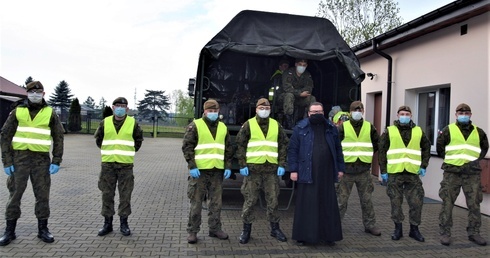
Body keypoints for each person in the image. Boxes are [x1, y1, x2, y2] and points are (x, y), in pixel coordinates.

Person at [0, 81, 64, 246]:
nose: (35, 94)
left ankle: (43, 230)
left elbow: (58, 137)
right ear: (27, 93)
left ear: (43, 94)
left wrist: (56, 160)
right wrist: (7, 161)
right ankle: (9, 231)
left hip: (41, 160)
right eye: (31, 92)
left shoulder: (50, 113)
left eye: (38, 92)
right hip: (19, 159)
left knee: (42, 196)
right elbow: (5, 136)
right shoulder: (17, 111)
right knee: (15, 195)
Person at [287, 102, 344, 245]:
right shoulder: (300, 128)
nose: (316, 114)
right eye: (313, 112)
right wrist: (293, 169)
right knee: (306, 205)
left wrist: (340, 168)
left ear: (323, 112)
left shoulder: (331, 128)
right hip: (307, 172)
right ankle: (304, 237)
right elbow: (292, 150)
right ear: (308, 113)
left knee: (327, 205)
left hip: (327, 173)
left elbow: (338, 150)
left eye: (319, 112)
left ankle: (329, 236)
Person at [235, 98, 289, 244]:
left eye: (267, 107)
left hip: (271, 171)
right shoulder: (248, 124)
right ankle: (246, 230)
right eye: (262, 107)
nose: (265, 109)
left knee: (273, 201)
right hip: (253, 171)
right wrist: (242, 164)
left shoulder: (276, 125)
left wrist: (282, 164)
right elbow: (240, 144)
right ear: (256, 109)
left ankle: (275, 229)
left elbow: (283, 144)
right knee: (250, 201)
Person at [182, 99, 233, 244]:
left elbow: (228, 149)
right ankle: (193, 231)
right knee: (196, 203)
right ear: (204, 111)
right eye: (210, 111)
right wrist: (192, 166)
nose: (213, 113)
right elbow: (187, 147)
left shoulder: (223, 127)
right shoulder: (195, 126)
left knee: (216, 203)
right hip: (200, 172)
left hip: (217, 171)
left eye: (215, 111)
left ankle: (215, 229)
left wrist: (228, 166)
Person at [436, 103, 488, 246]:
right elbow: (440, 147)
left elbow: (484, 148)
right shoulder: (448, 130)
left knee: (474, 204)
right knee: (447, 203)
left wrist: (473, 161)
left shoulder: (479, 132)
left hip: (472, 174)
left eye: (466, 113)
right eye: (461, 113)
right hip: (452, 173)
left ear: (470, 115)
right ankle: (445, 232)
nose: (463, 115)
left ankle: (474, 232)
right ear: (456, 115)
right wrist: (452, 161)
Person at [378, 105, 431, 242]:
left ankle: (414, 229)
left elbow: (426, 147)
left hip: (413, 173)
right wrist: (383, 170)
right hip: (395, 173)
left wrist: (424, 165)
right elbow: (382, 151)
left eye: (407, 114)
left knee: (416, 202)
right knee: (396, 202)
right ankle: (398, 229)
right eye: (402, 114)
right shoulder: (389, 131)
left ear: (411, 116)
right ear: (397, 115)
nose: (405, 116)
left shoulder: (418, 131)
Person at [94, 97, 143, 237]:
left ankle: (124, 223)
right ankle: (107, 224)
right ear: (113, 107)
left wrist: (128, 152)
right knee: (107, 194)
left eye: (123, 106)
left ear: (127, 109)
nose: (120, 108)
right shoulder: (105, 122)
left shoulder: (133, 123)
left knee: (125, 195)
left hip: (125, 166)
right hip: (108, 165)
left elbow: (138, 140)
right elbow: (99, 140)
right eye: (118, 106)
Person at [337, 101, 381, 236]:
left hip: (363, 171)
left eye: (360, 109)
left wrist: (366, 156)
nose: (358, 112)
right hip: (346, 171)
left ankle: (370, 225)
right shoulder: (343, 127)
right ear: (350, 112)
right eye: (355, 110)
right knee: (341, 201)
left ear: (363, 111)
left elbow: (376, 143)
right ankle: (335, 226)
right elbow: (336, 146)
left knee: (367, 200)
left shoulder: (370, 127)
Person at [281, 58, 316, 129]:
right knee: (289, 95)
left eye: (304, 65)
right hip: (285, 98)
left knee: (312, 98)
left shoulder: (307, 74)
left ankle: (307, 121)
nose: (302, 66)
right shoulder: (288, 73)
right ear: (296, 64)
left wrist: (301, 94)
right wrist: (299, 93)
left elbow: (309, 88)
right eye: (300, 64)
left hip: (300, 98)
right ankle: (289, 123)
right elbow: (287, 88)